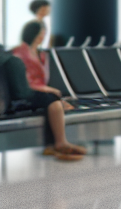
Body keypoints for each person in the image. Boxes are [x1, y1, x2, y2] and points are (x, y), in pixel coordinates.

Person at [6, 21, 84, 159]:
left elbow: (42, 79)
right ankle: (60, 143)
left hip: (39, 94)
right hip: (24, 93)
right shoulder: (18, 53)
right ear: (33, 33)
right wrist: (46, 89)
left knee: (56, 102)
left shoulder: (42, 55)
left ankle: (51, 146)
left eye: (44, 33)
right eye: (41, 32)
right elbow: (21, 82)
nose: (43, 36)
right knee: (54, 101)